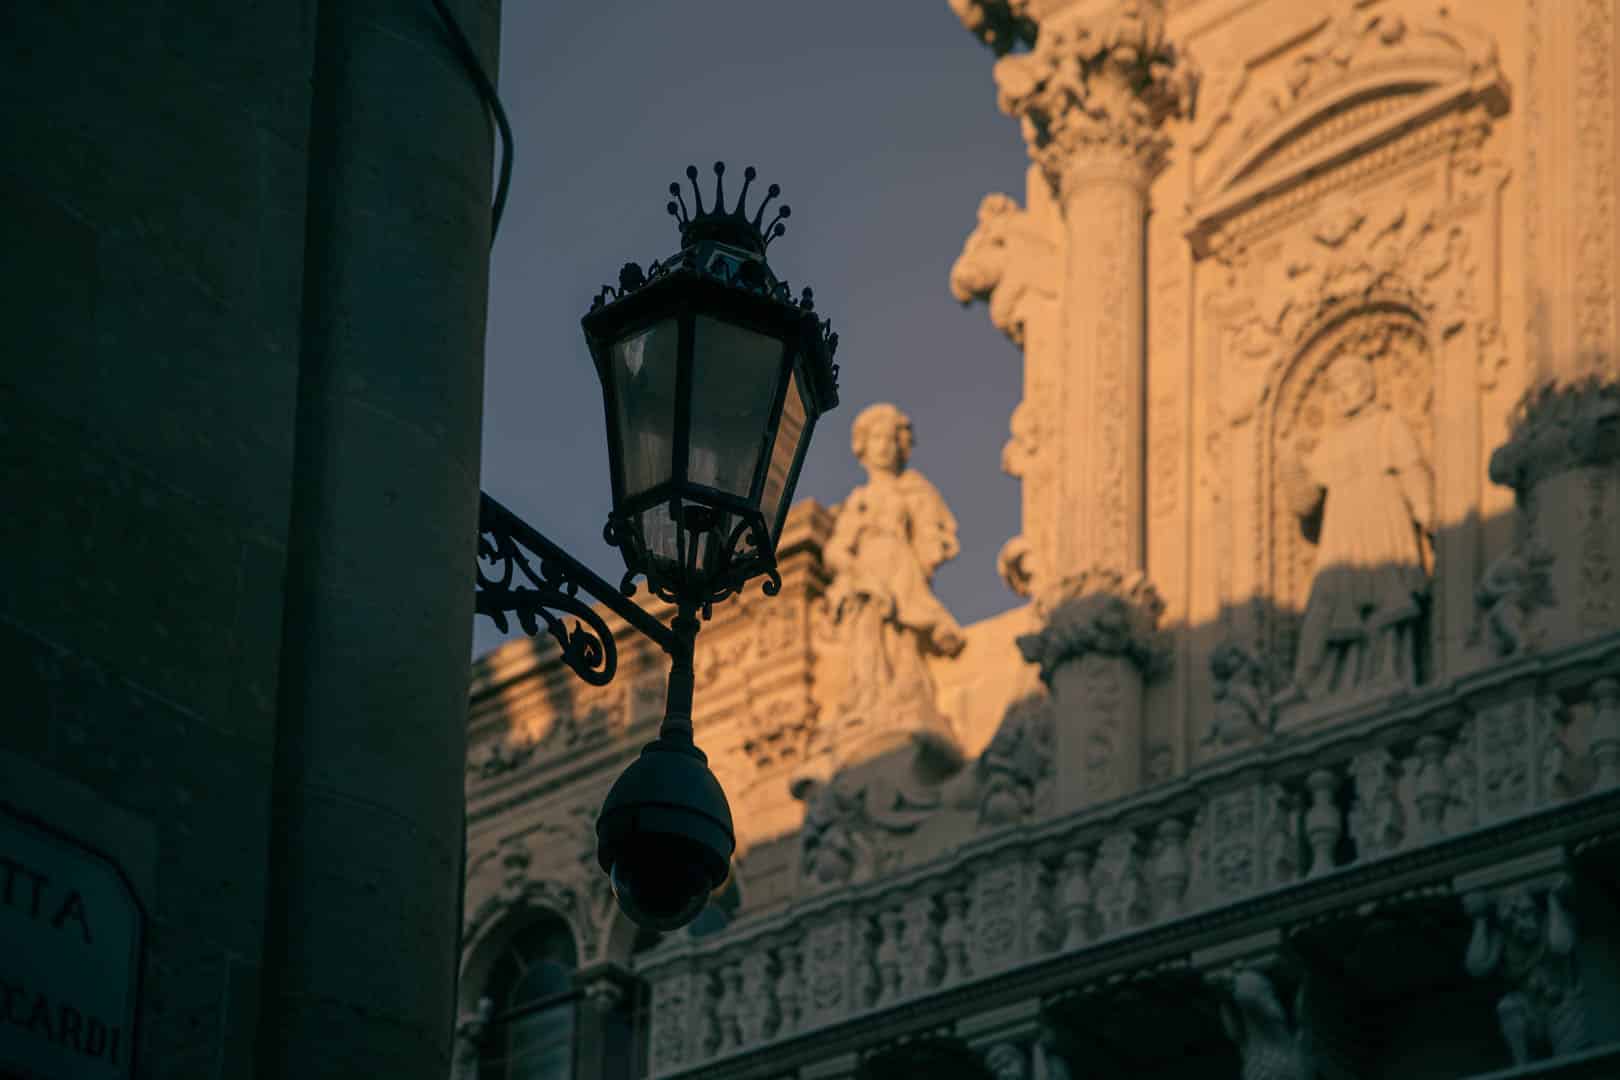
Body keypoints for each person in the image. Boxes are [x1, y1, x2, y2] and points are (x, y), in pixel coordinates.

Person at [1280, 357, 1432, 699]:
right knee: (1326, 597)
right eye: (1335, 388)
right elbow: (1304, 502)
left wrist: (1425, 508)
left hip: (1382, 517)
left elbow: (1411, 468)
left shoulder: (1387, 425)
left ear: (1366, 384)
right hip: (1342, 532)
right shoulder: (1331, 442)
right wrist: (1290, 462)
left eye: (1347, 382)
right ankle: (1310, 682)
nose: (1341, 394)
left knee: (1384, 592)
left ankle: (1389, 670)